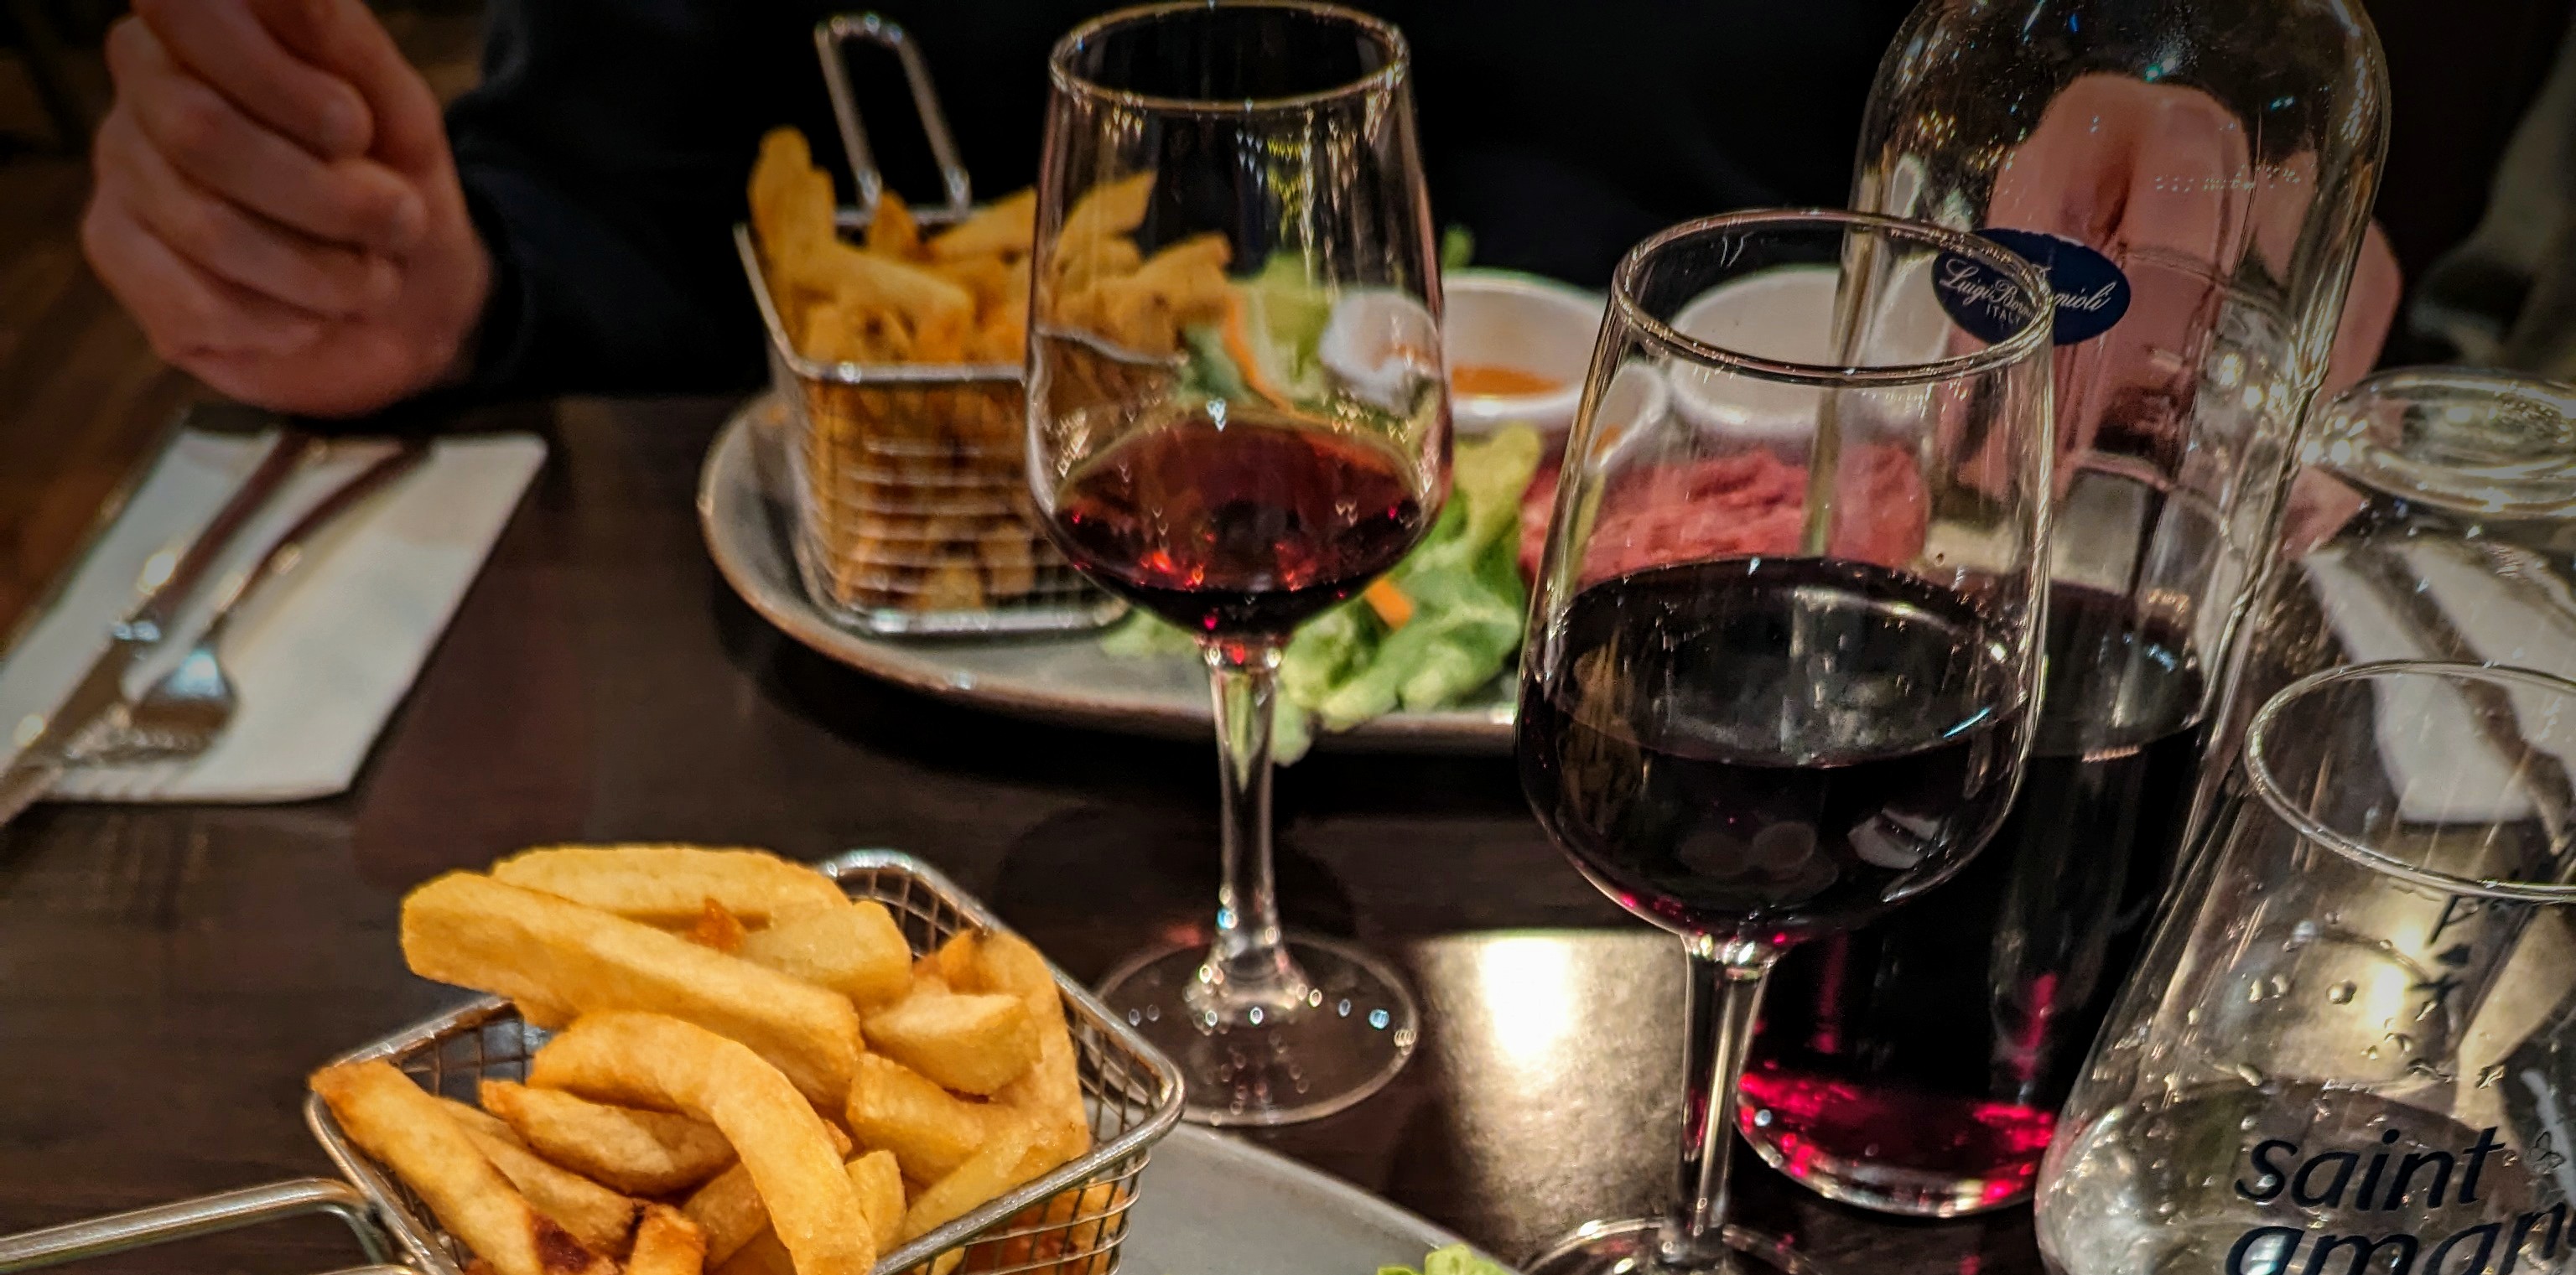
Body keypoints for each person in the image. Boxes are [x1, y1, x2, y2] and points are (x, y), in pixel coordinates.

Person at [80, 0, 1920, 416]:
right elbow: (597, 203)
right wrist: (421, 288)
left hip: (1766, 674)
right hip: (882, 756)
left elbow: (1973, 137)